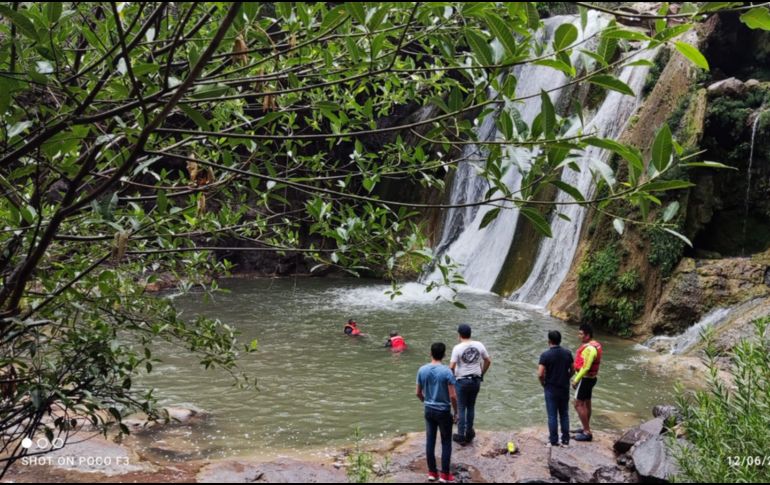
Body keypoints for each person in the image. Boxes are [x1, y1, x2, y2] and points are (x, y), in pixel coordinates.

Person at [417, 342, 458, 483]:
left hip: (429, 410)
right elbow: (453, 396)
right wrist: (456, 412)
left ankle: (432, 472)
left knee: (430, 441)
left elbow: (418, 393)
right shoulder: (447, 371)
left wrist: (426, 401)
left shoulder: (422, 370)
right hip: (444, 411)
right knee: (446, 442)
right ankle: (445, 475)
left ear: (431, 353)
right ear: (444, 354)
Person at [449, 323, 491, 445]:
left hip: (462, 381)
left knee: (461, 408)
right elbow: (488, 360)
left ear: (459, 335)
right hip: (476, 380)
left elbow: (451, 366)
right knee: (471, 406)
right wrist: (482, 373)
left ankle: (461, 435)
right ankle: (469, 433)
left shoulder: (457, 348)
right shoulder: (479, 345)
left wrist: (453, 378)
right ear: (470, 333)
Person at [538, 330, 574, 447]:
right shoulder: (567, 353)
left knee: (552, 415)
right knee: (564, 414)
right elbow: (573, 369)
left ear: (549, 341)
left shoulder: (545, 355)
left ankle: (554, 440)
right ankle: (565, 440)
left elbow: (540, 374)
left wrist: (543, 383)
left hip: (551, 388)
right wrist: (567, 377)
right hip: (564, 387)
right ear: (560, 340)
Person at [572, 323, 602, 442]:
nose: (579, 336)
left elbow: (586, 367)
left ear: (587, 335)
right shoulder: (596, 345)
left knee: (578, 404)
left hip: (585, 379)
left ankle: (587, 432)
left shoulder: (589, 349)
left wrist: (576, 380)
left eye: (581, 334)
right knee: (587, 403)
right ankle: (586, 427)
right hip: (591, 379)